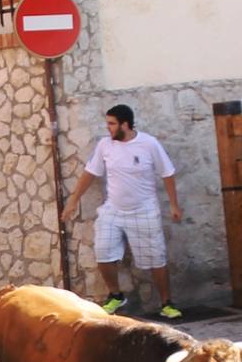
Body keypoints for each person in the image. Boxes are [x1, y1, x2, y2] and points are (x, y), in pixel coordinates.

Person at [60, 104, 185, 320]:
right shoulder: (105, 146)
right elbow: (90, 173)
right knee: (103, 252)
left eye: (111, 124)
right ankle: (116, 295)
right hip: (113, 211)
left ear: (125, 125)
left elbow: (167, 173)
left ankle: (166, 303)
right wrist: (73, 201)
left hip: (144, 210)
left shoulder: (148, 144)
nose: (107, 128)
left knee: (156, 259)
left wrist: (174, 205)